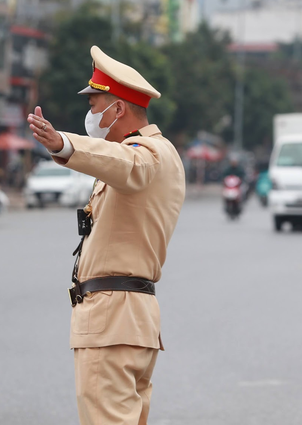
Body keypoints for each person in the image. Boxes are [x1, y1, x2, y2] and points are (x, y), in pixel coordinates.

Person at [28, 45, 186, 425]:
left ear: (119, 109)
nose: (91, 113)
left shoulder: (146, 152)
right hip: (128, 317)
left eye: (96, 103)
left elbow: (125, 162)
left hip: (113, 318)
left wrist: (63, 144)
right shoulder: (156, 153)